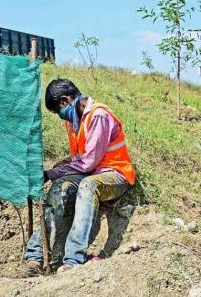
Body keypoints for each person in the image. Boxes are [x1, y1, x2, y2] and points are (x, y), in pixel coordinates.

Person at [25, 78, 136, 275]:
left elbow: (88, 163)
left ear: (65, 101)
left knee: (87, 185)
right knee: (61, 186)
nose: (60, 116)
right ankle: (35, 254)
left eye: (58, 111)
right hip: (90, 174)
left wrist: (50, 173)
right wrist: (58, 170)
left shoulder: (98, 115)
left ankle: (74, 259)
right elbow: (78, 158)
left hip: (114, 176)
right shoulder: (75, 121)